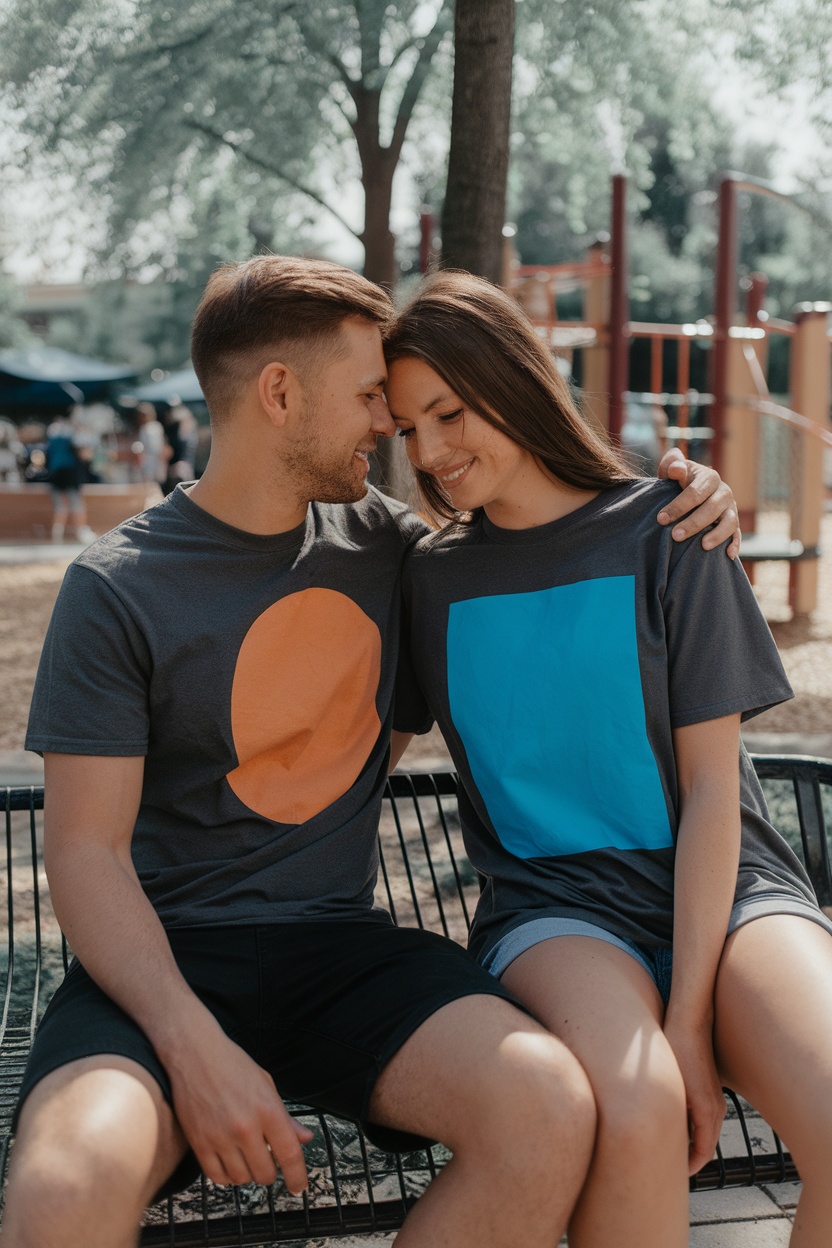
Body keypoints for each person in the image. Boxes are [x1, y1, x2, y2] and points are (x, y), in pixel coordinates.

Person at [1, 256, 735, 1248]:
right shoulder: (116, 587)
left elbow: (541, 547)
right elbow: (83, 854)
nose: (392, 428)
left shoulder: (394, 553)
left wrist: (691, 502)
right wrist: (193, 1047)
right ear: (278, 393)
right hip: (163, 968)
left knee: (545, 1106)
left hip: (338, 953)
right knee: (59, 1190)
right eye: (367, 397)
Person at [384, 270, 832, 1248]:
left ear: (512, 381)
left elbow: (715, 792)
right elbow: (356, 758)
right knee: (636, 1112)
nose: (430, 452)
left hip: (731, 889)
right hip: (555, 910)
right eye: (409, 430)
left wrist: (686, 1018)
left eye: (449, 412)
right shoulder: (425, 578)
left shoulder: (671, 526)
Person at [44, 414, 96, 543]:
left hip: (56, 472)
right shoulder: (73, 434)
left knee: (60, 505)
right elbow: (85, 455)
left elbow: (48, 455)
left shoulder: (53, 435)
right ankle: (81, 532)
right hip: (71, 472)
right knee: (76, 502)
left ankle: (57, 535)